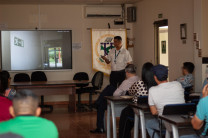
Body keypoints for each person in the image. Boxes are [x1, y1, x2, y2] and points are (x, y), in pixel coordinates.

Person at [90, 64, 139, 133]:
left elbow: (115, 94)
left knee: (108, 90)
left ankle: (100, 127)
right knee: (108, 90)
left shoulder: (126, 82)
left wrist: (121, 92)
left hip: (120, 104)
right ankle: (97, 103)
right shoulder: (139, 79)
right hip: (132, 103)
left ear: (127, 72)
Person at [118, 62, 157, 138]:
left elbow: (130, 92)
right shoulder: (156, 83)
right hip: (153, 112)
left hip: (138, 112)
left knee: (125, 113)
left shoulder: (139, 83)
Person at [146, 64, 185, 138]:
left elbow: (154, 112)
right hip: (181, 121)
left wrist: (161, 109)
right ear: (167, 75)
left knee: (148, 124)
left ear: (155, 77)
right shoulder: (178, 84)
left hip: (165, 123)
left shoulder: (152, 90)